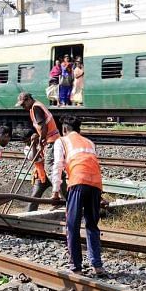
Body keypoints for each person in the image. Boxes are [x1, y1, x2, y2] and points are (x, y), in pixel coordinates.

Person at [51, 116, 105, 276]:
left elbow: (58, 165)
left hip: (77, 182)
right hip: (95, 184)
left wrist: (55, 190)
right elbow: (94, 165)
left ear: (65, 129)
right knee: (92, 225)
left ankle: (76, 267)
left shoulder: (61, 141)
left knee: (72, 225)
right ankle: (97, 266)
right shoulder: (89, 142)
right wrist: (100, 195)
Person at [16, 92, 60, 193]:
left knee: (49, 169)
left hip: (51, 140)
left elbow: (43, 127)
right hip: (52, 139)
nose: (23, 107)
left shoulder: (36, 107)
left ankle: (59, 193)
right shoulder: (34, 107)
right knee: (55, 167)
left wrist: (40, 141)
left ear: (28, 100)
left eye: (23, 104)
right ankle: (58, 193)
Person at [22, 129, 52, 212]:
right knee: (34, 197)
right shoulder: (27, 149)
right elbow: (35, 159)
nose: (27, 143)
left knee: (63, 192)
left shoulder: (44, 142)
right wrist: (34, 144)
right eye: (25, 141)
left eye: (28, 140)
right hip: (41, 176)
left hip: (53, 173)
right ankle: (29, 214)